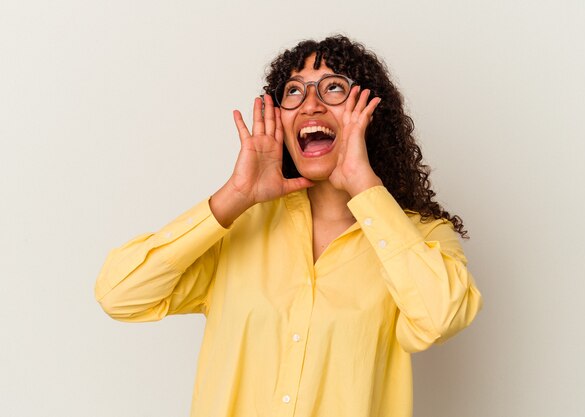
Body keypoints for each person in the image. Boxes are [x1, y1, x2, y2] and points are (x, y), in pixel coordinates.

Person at [95, 35, 482, 417]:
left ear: (369, 111)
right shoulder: (239, 226)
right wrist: (235, 194)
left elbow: (439, 319)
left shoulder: (420, 239)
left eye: (333, 88)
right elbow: (120, 294)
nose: (310, 103)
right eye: (293, 91)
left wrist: (365, 186)